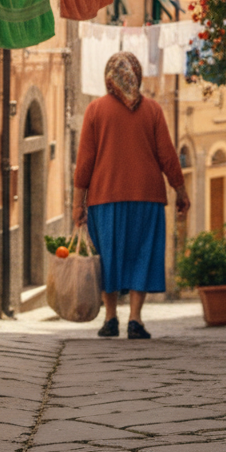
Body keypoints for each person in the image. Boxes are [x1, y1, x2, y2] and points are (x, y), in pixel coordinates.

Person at [73, 52, 188, 339]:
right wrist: (180, 190)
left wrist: (78, 204)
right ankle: (135, 318)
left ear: (108, 77)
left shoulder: (95, 110)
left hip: (104, 198)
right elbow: (168, 156)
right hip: (147, 198)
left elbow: (85, 162)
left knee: (107, 258)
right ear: (135, 74)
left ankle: (110, 318)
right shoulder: (152, 111)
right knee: (142, 255)